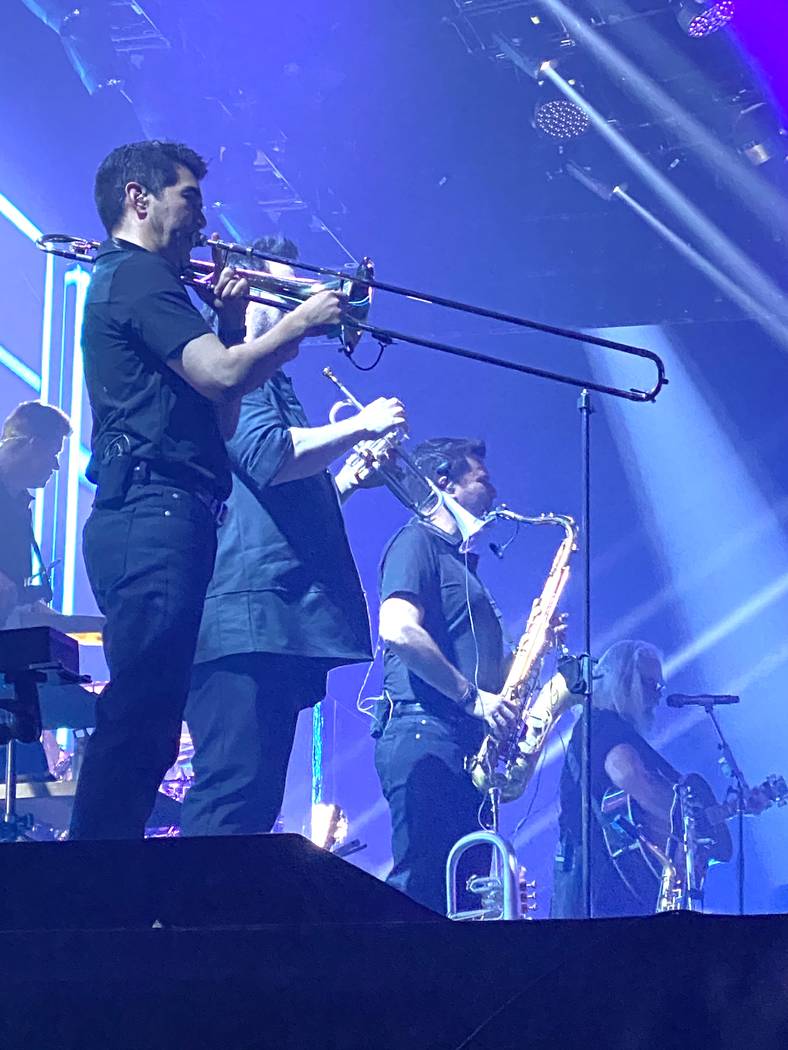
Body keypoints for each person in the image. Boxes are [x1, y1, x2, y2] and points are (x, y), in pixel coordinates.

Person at [69, 140, 344, 840]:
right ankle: (86, 890)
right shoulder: (137, 275)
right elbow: (224, 378)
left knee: (153, 725)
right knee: (140, 720)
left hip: (175, 512)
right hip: (150, 511)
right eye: (189, 197)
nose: (201, 215)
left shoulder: (149, 285)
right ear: (140, 198)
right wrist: (298, 323)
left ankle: (100, 887)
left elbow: (217, 416)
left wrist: (228, 325)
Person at [180, 236, 406, 836]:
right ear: (254, 293)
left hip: (268, 621)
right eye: (291, 291)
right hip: (247, 620)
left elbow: (272, 495)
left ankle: (216, 923)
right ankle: (185, 924)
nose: (308, 305)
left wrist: (346, 483)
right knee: (232, 797)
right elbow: (269, 455)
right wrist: (361, 424)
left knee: (251, 806)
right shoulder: (243, 359)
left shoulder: (265, 371)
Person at [373, 437, 518, 913]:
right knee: (423, 895)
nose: (494, 491)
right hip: (424, 733)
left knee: (466, 901)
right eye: (482, 479)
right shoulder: (417, 541)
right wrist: (471, 698)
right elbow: (397, 629)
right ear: (445, 484)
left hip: (466, 746)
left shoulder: (464, 564)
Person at [551, 639, 680, 918]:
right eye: (651, 686)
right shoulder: (604, 725)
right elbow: (629, 775)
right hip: (602, 887)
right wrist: (684, 820)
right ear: (624, 680)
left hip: (605, 882)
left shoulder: (604, 726)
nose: (658, 697)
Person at [0, 400, 71, 779]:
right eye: (53, 453)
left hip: (9, 660)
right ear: (29, 444)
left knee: (26, 781)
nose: (56, 466)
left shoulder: (19, 505)